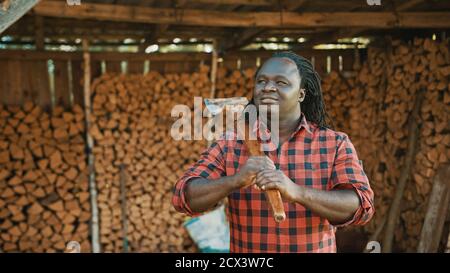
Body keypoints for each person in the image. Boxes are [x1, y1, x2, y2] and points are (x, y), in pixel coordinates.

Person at [172, 51, 374, 253]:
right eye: (261, 81)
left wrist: (297, 192)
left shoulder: (334, 144)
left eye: (281, 82)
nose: (268, 87)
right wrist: (235, 180)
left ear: (301, 94)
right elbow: (183, 197)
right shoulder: (230, 144)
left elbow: (361, 207)